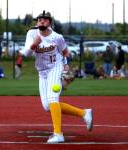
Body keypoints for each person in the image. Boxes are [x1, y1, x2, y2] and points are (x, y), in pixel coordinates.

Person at [20, 11, 93, 143]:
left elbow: (65, 52)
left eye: (45, 19)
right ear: (37, 22)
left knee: (52, 97)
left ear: (50, 23)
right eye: (40, 19)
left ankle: (58, 134)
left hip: (55, 68)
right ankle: (84, 113)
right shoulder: (31, 33)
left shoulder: (57, 37)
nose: (42, 21)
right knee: (47, 106)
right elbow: (26, 53)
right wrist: (34, 44)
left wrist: (65, 65)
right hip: (42, 72)